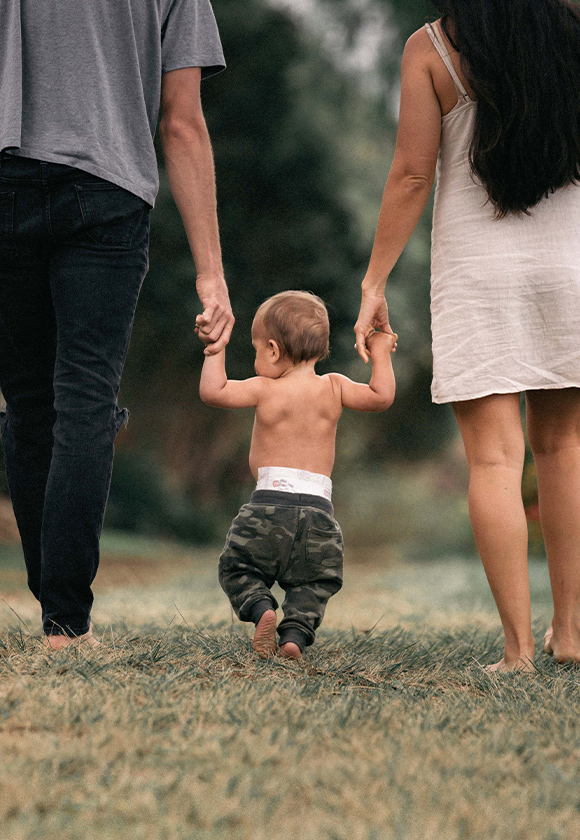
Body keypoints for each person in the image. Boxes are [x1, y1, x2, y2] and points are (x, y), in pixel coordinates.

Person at [0, 0, 234, 648]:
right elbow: (182, 124)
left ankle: (56, 604)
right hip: (107, 193)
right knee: (84, 400)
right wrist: (210, 273)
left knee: (28, 402)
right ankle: (66, 623)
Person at [354, 0, 580, 670]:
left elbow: (412, 174)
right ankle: (571, 636)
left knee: (493, 461)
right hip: (569, 265)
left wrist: (373, 283)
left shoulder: (432, 47)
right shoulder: (573, 33)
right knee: (565, 449)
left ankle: (517, 650)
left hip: (480, 272)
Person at [199, 291, 397, 659]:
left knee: (238, 566)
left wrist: (216, 347)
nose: (257, 357)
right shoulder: (335, 387)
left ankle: (263, 609)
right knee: (314, 583)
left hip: (267, 508)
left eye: (257, 349)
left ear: (273, 350)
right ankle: (293, 638)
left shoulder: (265, 388)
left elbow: (214, 391)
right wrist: (380, 350)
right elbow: (381, 396)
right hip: (319, 516)